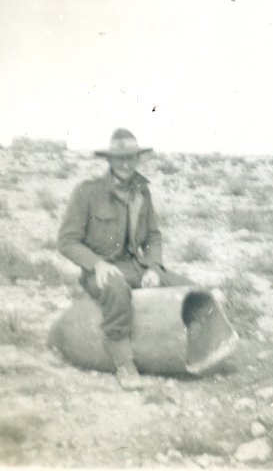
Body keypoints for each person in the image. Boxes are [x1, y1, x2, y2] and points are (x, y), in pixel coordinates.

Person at [58, 128, 191, 390]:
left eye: (131, 157)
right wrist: (96, 263)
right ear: (109, 161)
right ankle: (123, 362)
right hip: (99, 270)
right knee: (117, 290)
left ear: (137, 159)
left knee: (186, 286)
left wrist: (153, 266)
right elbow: (67, 241)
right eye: (119, 158)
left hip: (136, 266)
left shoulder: (142, 192)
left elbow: (153, 236)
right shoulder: (88, 192)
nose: (126, 163)